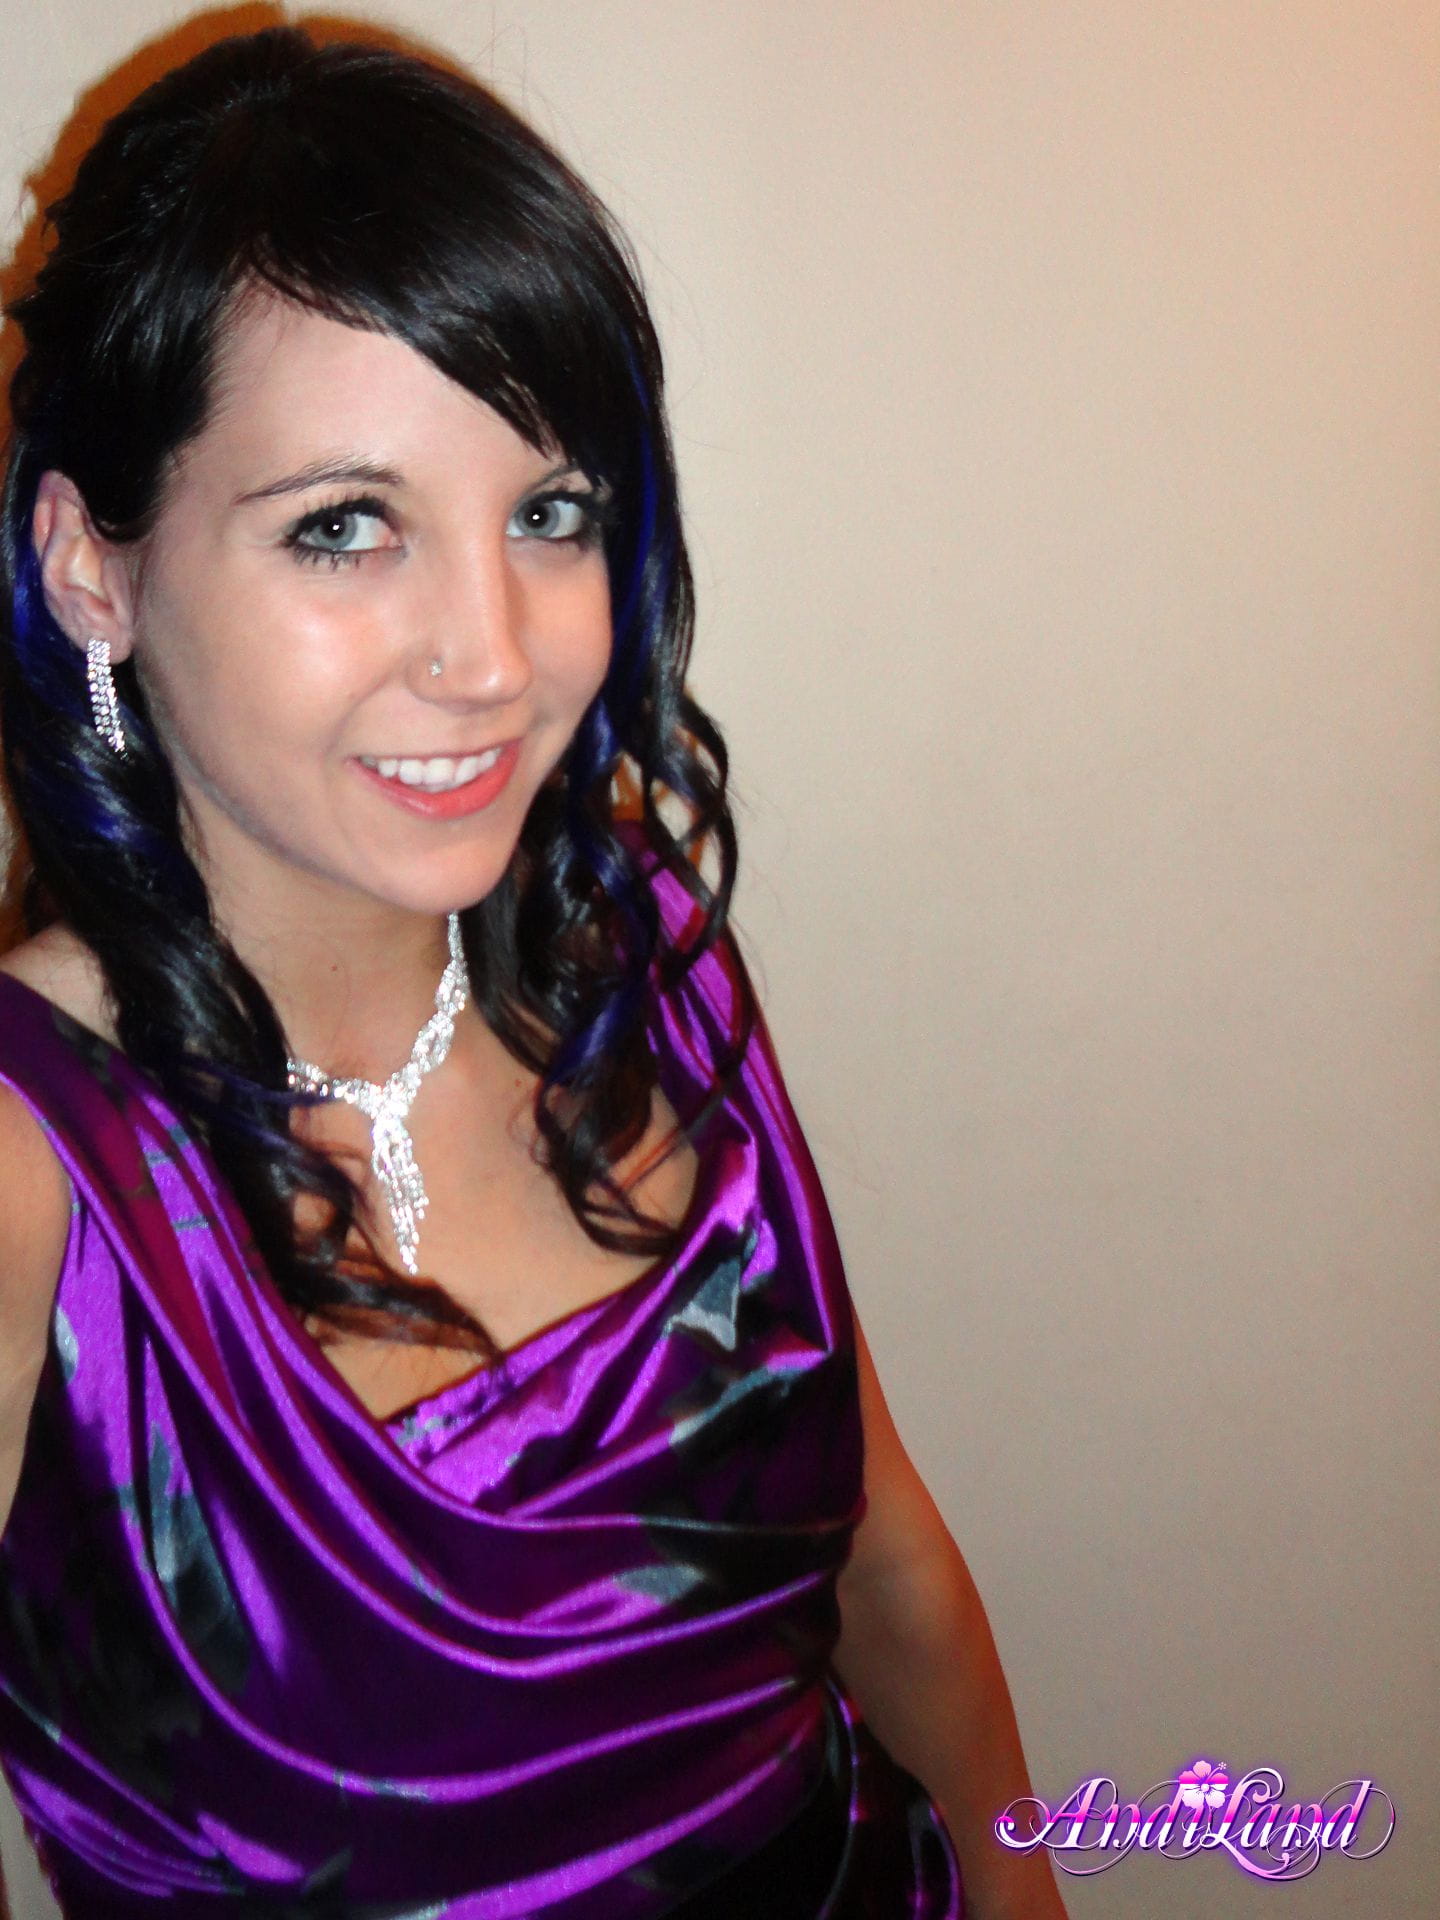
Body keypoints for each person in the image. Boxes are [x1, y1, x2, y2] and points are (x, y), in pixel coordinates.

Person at [0, 23, 1064, 1918]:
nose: (493, 657)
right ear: (92, 564)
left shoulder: (636, 953)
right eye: (346, 528)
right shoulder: (29, 1187)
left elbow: (884, 1556)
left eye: (548, 513)